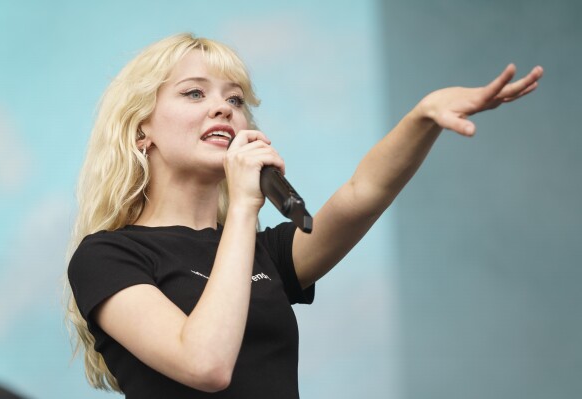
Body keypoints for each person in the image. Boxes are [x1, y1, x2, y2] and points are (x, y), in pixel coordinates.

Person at [65, 33, 543, 398]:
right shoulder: (107, 257)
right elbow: (205, 363)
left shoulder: (261, 252)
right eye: (194, 94)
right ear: (140, 132)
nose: (223, 109)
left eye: (235, 100)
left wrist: (422, 116)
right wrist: (244, 207)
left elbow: (362, 192)